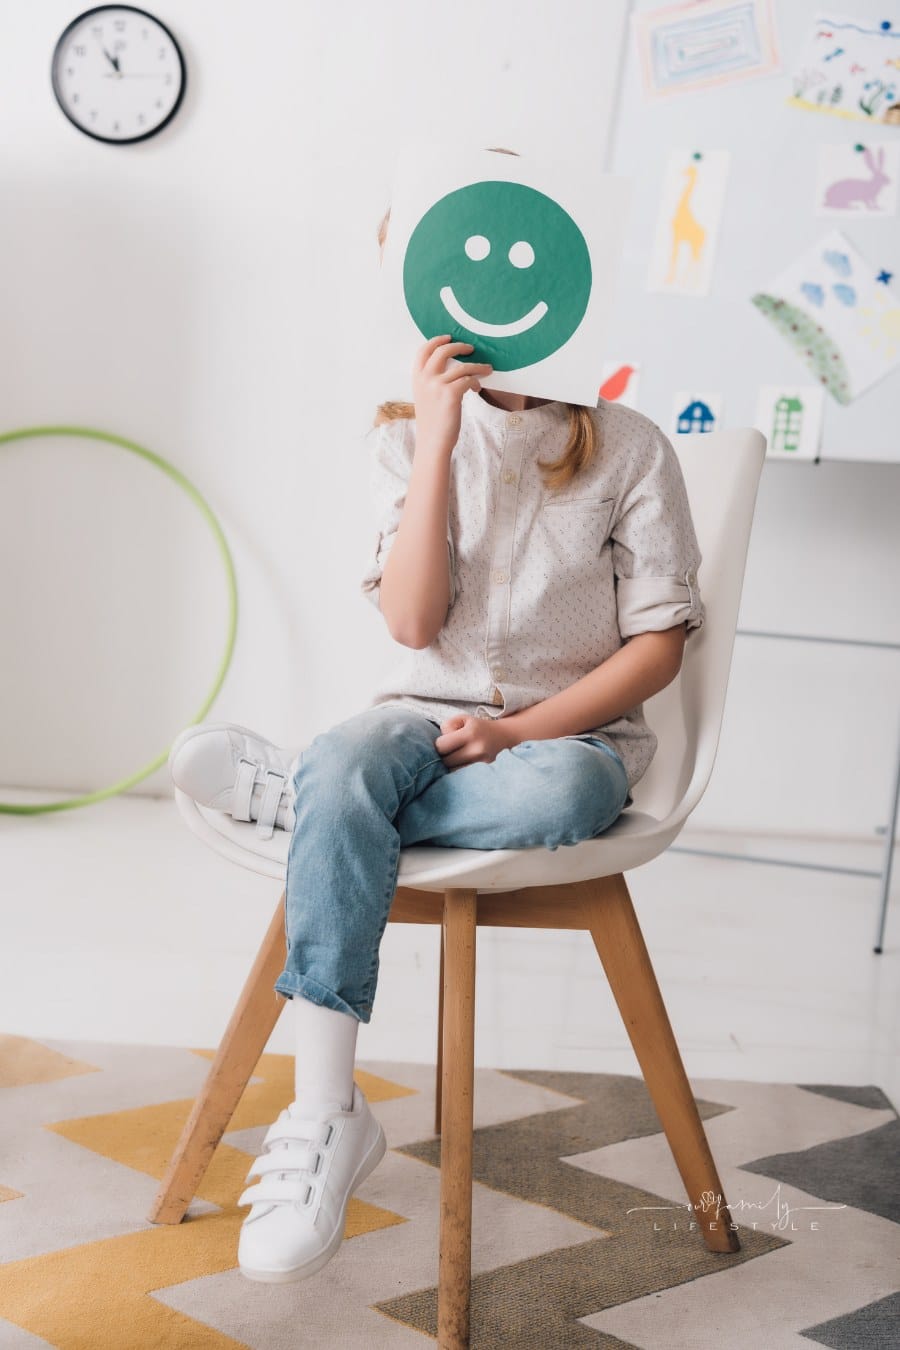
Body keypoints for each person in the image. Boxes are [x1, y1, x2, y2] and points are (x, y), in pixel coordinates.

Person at [169, 223, 705, 1287]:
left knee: (552, 788)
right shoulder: (406, 438)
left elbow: (658, 648)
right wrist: (435, 434)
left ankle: (303, 800)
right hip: (418, 714)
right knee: (357, 755)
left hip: (566, 737)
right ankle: (326, 1111)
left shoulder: (632, 445)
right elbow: (413, 626)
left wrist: (512, 733)